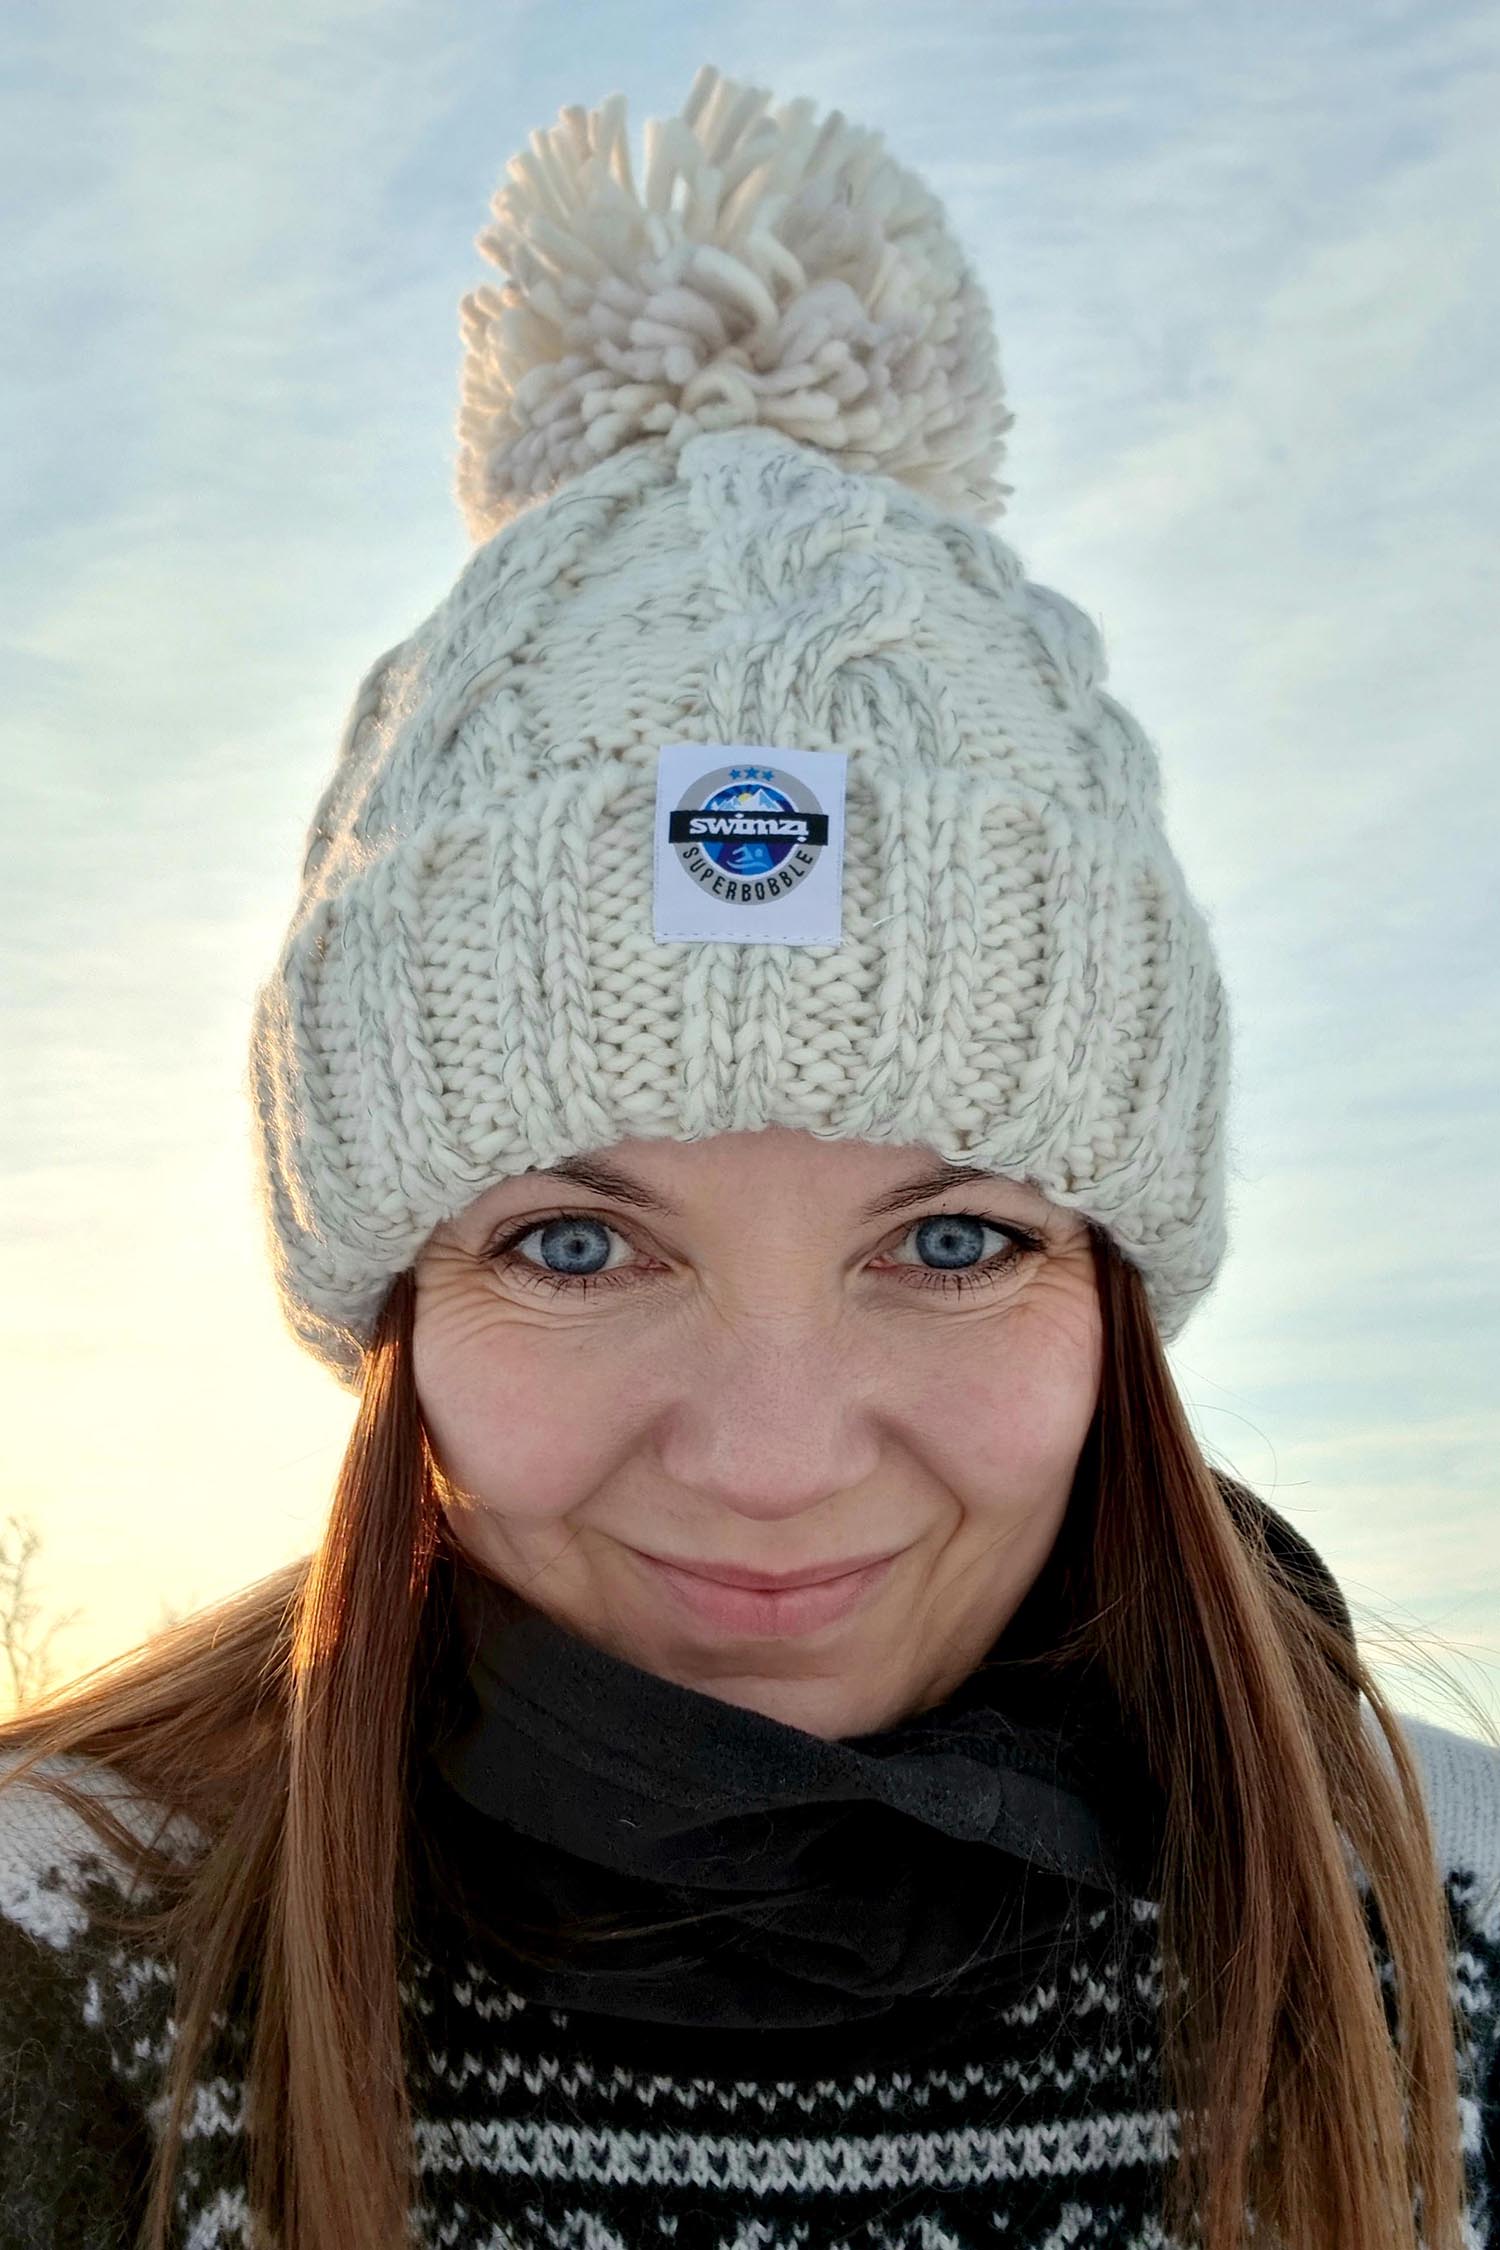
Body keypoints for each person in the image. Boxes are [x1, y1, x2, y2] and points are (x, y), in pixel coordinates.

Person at [1, 60, 1496, 2250]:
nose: (777, 1462)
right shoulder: (66, 1969)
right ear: (388, 1298)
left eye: (958, 1233)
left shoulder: (1443, 1954)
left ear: (1120, 1297)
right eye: (581, 1244)